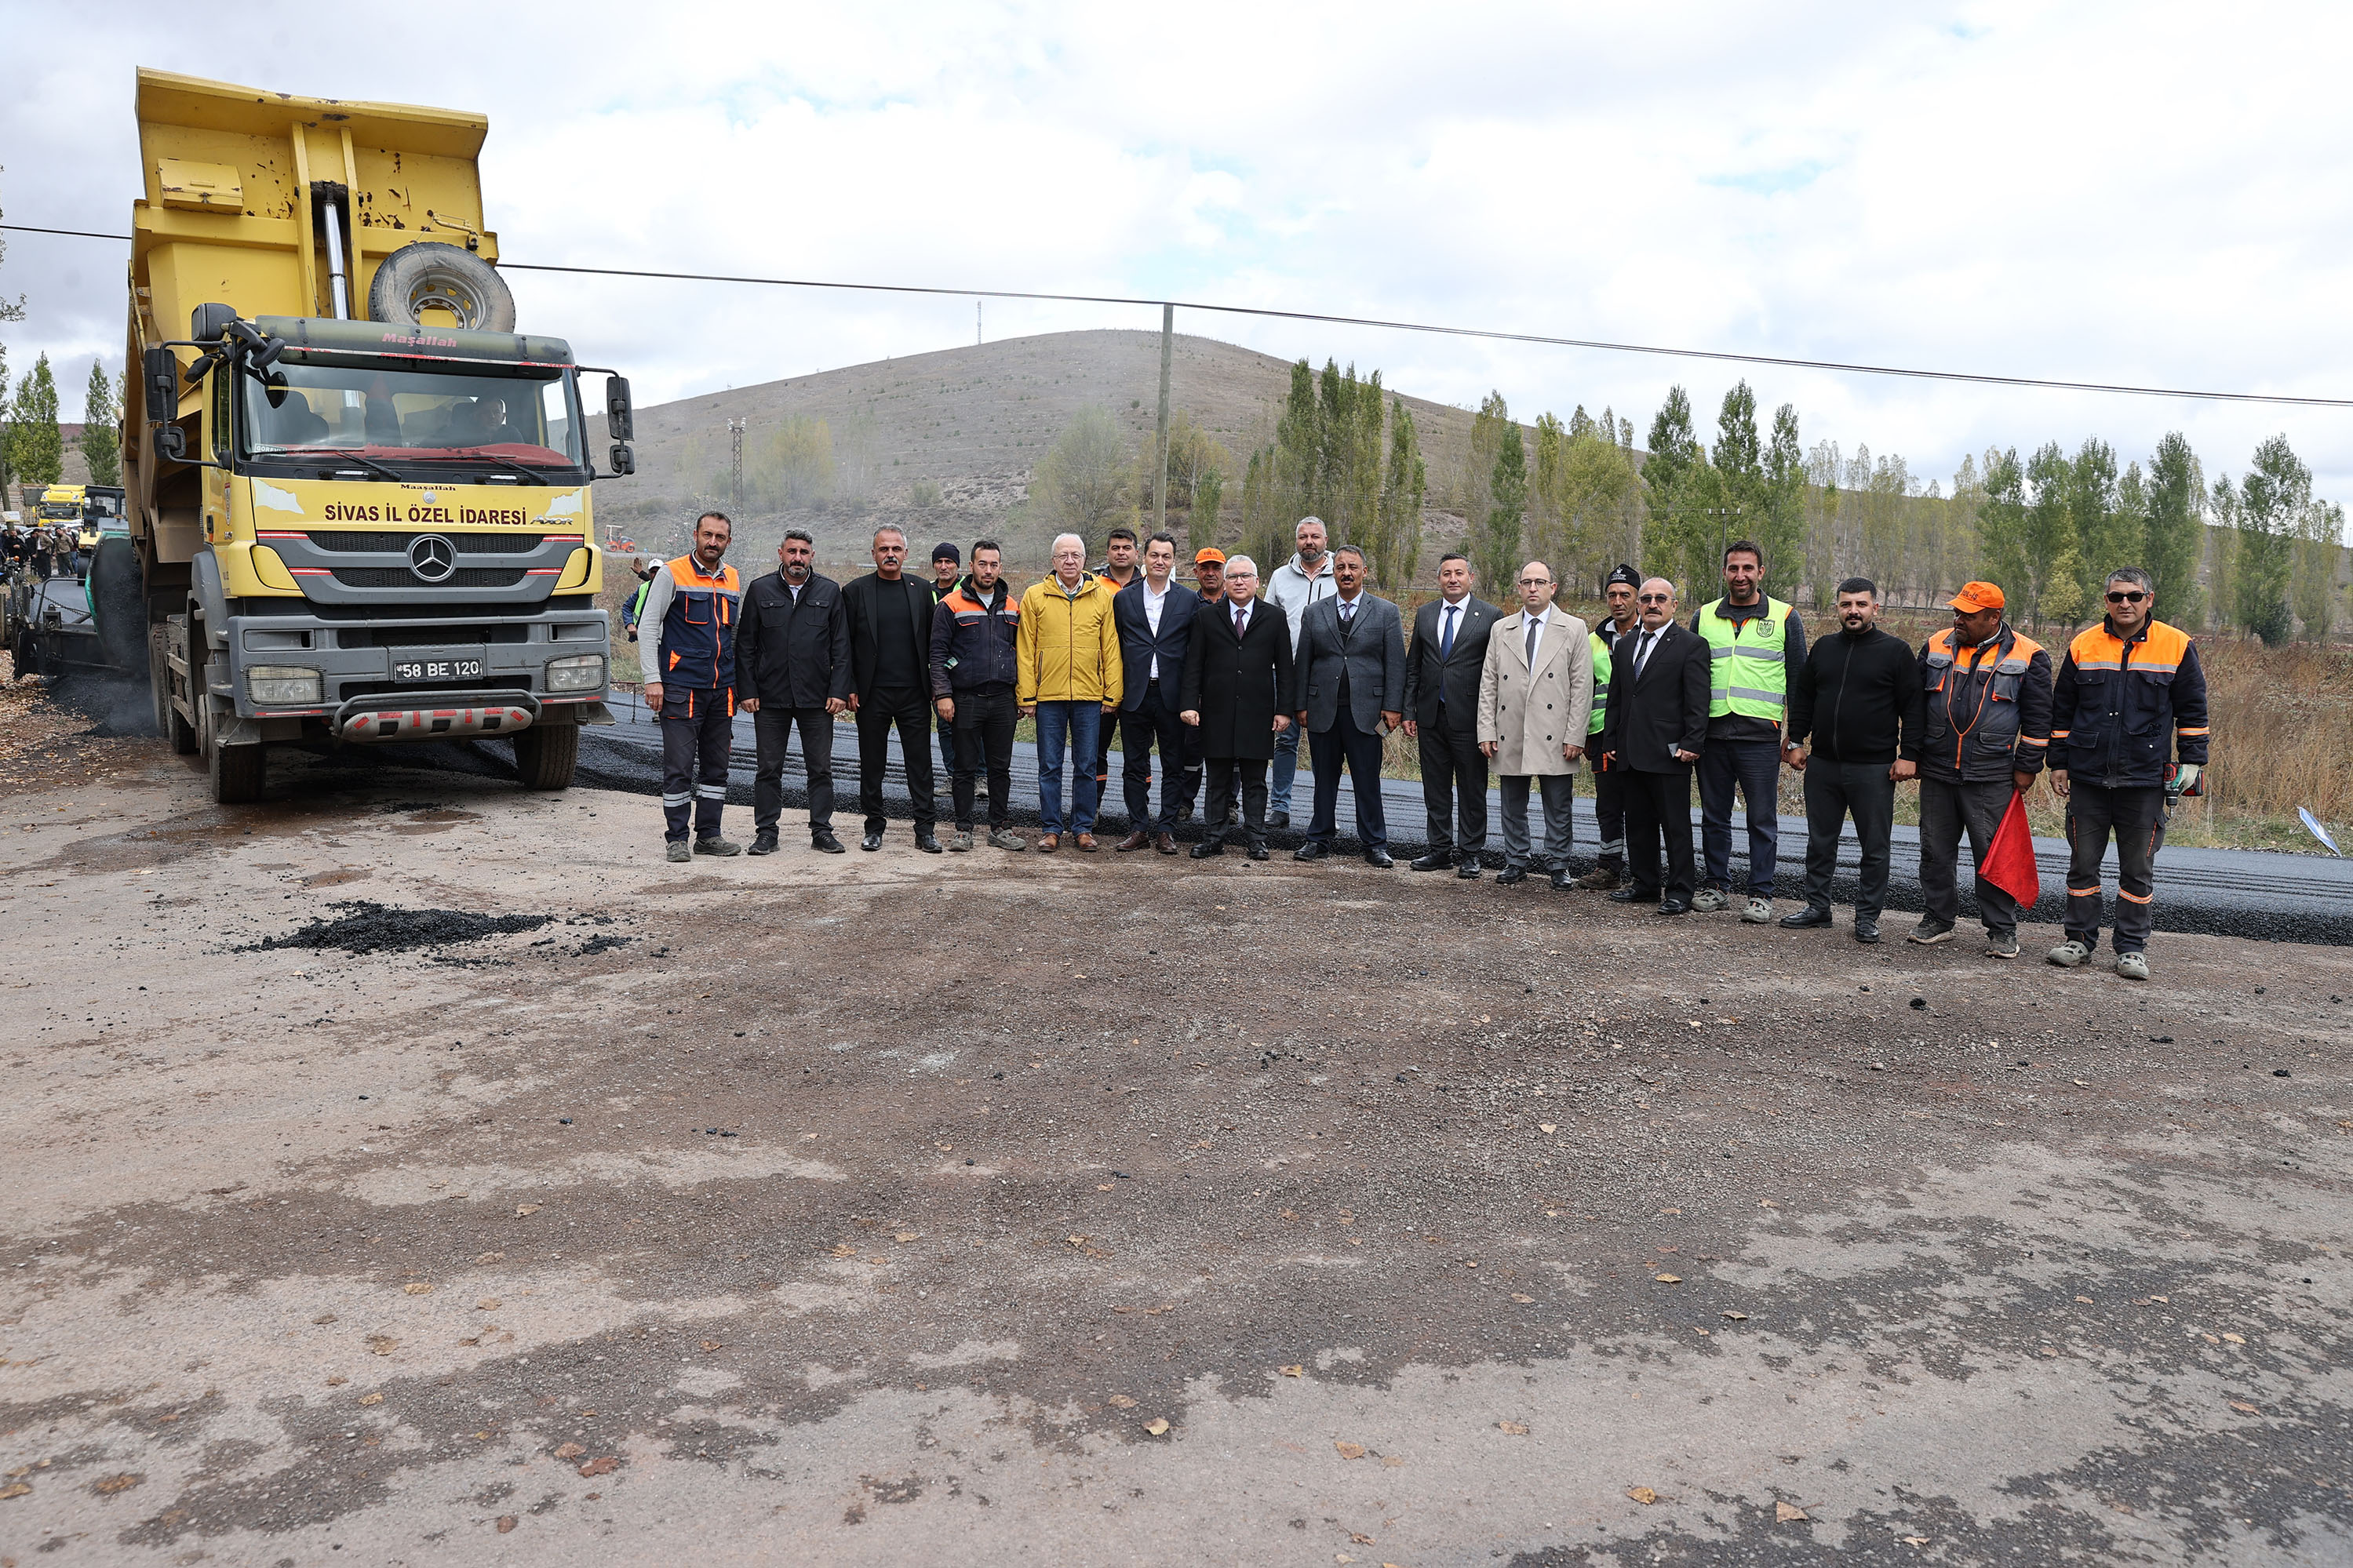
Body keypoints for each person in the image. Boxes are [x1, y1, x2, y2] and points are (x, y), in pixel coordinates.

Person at [2046, 567, 2210, 980]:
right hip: (2087, 775)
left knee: (2137, 867)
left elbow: (2193, 708)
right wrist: (2059, 762)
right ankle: (2079, 940)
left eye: (2134, 597)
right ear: (2106, 600)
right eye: (2117, 596)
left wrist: (2193, 760)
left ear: (2149, 599)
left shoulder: (2176, 645)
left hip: (2145, 777)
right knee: (2083, 864)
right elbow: (2062, 709)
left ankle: (2131, 948)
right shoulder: (2084, 644)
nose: (2125, 604)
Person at [1908, 580, 2052, 959]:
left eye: (1968, 616)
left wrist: (2028, 767)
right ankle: (1938, 920)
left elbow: (2039, 721)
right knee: (1935, 851)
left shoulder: (2029, 655)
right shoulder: (1936, 644)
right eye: (1957, 612)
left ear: (1994, 618)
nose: (1958, 619)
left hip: (1993, 774)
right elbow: (1915, 705)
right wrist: (1911, 753)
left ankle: (2002, 931)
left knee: (1994, 855)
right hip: (1938, 769)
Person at [1779, 578, 1921, 942]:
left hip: (1874, 768)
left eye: (1861, 604)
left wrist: (1909, 755)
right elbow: (1804, 697)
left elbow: (1915, 708)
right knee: (1820, 841)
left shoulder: (1895, 651)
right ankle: (1817, 908)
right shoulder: (1825, 648)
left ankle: (1867, 916)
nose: (1853, 611)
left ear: (1876, 608)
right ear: (1837, 609)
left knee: (1875, 845)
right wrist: (1796, 740)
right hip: (1824, 764)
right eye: (1846, 605)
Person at [1689, 541, 1806, 923]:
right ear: (1724, 573)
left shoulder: (1785, 616)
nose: (1741, 575)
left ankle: (1761, 894)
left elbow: (1798, 680)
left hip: (1760, 736)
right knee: (1714, 816)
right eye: (1733, 568)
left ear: (1761, 572)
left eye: (1748, 568)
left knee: (1762, 818)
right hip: (1712, 733)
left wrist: (1797, 735)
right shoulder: (1704, 616)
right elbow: (1690, 677)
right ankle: (1717, 886)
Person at [1477, 560, 1594, 888]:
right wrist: (1485, 729)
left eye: (1540, 582)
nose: (1533, 588)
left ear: (1552, 588)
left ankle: (1559, 864)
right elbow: (1489, 684)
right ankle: (1516, 861)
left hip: (1555, 731)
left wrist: (1575, 735)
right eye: (1527, 582)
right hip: (1510, 727)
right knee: (1513, 803)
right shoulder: (1503, 629)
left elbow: (1582, 687)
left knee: (1558, 805)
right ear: (1518, 587)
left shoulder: (1574, 627)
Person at [736, 529, 851, 857]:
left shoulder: (829, 591)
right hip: (770, 697)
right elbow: (745, 645)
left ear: (812, 555)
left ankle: (822, 832)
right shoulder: (760, 590)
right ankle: (767, 833)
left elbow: (841, 647)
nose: (797, 558)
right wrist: (748, 689)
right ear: (780, 553)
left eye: (803, 552)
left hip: (817, 699)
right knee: (768, 769)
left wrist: (839, 690)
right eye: (791, 552)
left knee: (820, 768)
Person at [638, 511, 745, 861]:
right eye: (707, 535)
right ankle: (677, 838)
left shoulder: (732, 578)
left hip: (722, 690)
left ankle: (709, 836)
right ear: (695, 535)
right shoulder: (671, 573)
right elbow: (649, 625)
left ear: (728, 541)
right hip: (681, 687)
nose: (713, 542)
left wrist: (740, 685)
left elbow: (735, 635)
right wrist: (653, 679)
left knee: (717, 767)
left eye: (720, 537)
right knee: (679, 766)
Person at [1292, 545, 1405, 868]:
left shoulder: (1386, 612)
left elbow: (1395, 663)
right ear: (1334, 572)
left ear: (1364, 572)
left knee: (1367, 779)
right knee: (1323, 779)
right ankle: (1318, 839)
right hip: (1322, 709)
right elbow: (1304, 662)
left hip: (1369, 714)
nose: (1346, 572)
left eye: (1353, 567)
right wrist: (1301, 704)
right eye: (1340, 567)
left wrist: (1393, 707)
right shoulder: (1315, 612)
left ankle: (1374, 844)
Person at [1601, 577, 1709, 912]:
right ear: (1638, 605)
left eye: (1660, 599)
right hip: (1630, 751)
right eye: (1646, 599)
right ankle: (1645, 884)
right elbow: (1616, 698)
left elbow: (1698, 699)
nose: (1652, 604)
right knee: (1638, 823)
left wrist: (1692, 741)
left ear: (1674, 605)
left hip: (1670, 752)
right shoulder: (1625, 645)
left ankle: (1680, 891)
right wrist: (1611, 740)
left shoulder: (1690, 645)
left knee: (1675, 826)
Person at [1180, 555, 1294, 860]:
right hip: (1216, 712)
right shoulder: (1207, 618)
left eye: (1245, 576)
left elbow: (1285, 667)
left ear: (1258, 582)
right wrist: (1189, 704)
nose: (1239, 582)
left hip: (1258, 713)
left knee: (1255, 781)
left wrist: (1285, 710)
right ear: (1225, 583)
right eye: (1233, 577)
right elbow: (1194, 665)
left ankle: (1256, 839)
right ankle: (1213, 836)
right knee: (1217, 779)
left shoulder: (1274, 618)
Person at [1018, 532, 1122, 852]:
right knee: (1049, 765)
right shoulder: (1035, 596)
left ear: (1084, 559)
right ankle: (1051, 828)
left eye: (1075, 555)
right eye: (1063, 555)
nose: (1069, 560)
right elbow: (1025, 648)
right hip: (1048, 696)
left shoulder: (1102, 596)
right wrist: (1027, 695)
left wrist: (1112, 693)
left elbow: (1111, 647)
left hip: (1090, 696)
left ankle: (1083, 828)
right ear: (1053, 561)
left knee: (1086, 765)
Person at [843, 525, 943, 854]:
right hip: (871, 695)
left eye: (896, 549)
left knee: (920, 763)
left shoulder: (920, 590)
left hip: (914, 692)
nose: (890, 554)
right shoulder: (855, 591)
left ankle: (925, 830)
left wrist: (937, 686)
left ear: (906, 554)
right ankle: (873, 828)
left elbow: (933, 642)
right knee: (873, 764)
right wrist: (851, 687)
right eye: (883, 549)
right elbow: (845, 646)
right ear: (873, 554)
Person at [1403, 553, 1502, 878]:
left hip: (1471, 718)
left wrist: (1493, 721)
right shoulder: (1426, 613)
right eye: (1446, 574)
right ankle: (1439, 850)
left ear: (1471, 578)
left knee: (1472, 788)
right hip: (1431, 715)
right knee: (1435, 787)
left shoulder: (1490, 616)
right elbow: (1414, 666)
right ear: (1439, 579)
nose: (1453, 579)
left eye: (1459, 573)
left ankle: (1471, 853)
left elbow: (1497, 671)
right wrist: (1409, 710)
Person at [931, 539, 1026, 853]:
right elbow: (937, 654)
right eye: (982, 564)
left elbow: (1022, 653)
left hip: (1002, 700)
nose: (988, 570)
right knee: (965, 768)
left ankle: (999, 827)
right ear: (971, 567)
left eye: (994, 564)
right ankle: (963, 829)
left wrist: (1023, 696)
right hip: (965, 698)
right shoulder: (952, 605)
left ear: (1000, 567)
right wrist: (943, 694)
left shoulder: (1012, 606)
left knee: (1000, 768)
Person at [1112, 532, 1197, 854]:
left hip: (1172, 696)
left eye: (1166, 556)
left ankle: (1166, 829)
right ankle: (1138, 828)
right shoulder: (1124, 598)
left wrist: (1192, 697)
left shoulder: (1188, 600)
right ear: (1143, 558)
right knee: (1134, 765)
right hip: (1135, 694)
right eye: (1154, 555)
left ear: (1174, 561)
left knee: (1173, 765)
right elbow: (1117, 645)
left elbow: (1193, 654)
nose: (1159, 561)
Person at [1264, 516, 1338, 828]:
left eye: (1315, 537)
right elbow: (1266, 622)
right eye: (1304, 537)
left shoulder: (1342, 575)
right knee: (1285, 742)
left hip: (1326, 675)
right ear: (1296, 541)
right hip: (1286, 673)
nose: (1309, 542)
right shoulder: (1280, 577)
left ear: (1325, 540)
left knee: (1326, 746)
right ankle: (1280, 807)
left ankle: (1324, 813)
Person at [1575, 565, 1645, 890]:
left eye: (1625, 595)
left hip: (1644, 736)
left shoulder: (1654, 634)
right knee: (1608, 805)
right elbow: (1582, 690)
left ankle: (1646, 873)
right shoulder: (1592, 641)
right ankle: (1608, 867)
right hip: (1603, 735)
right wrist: (1584, 734)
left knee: (1644, 805)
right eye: (1612, 595)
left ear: (1638, 598)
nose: (1618, 601)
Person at [1171, 548, 1227, 824]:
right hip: (1195, 688)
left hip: (1229, 690)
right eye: (1205, 568)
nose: (1210, 573)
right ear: (1195, 572)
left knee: (1232, 751)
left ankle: (1228, 804)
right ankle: (1184, 802)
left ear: (1224, 572)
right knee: (1191, 751)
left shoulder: (1239, 603)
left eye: (1216, 568)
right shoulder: (1185, 605)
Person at [929, 543, 963, 788]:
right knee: (945, 725)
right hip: (938, 669)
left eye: (948, 562)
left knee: (974, 726)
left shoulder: (968, 589)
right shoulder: (924, 591)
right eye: (939, 562)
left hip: (967, 669)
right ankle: (953, 775)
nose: (944, 566)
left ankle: (980, 777)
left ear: (957, 564)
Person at [621, 558, 658, 643]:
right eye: (653, 572)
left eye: (659, 572)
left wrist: (641, 574)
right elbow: (627, 607)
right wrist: (630, 624)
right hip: (646, 637)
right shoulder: (643, 588)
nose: (656, 575)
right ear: (649, 574)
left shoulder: (671, 589)